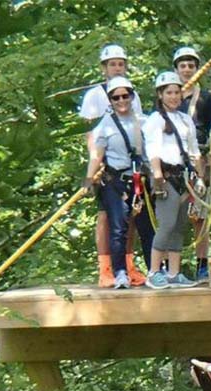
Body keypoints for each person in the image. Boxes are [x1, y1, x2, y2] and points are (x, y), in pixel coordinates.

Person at [80, 44, 150, 286]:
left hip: (131, 167)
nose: (117, 68)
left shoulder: (133, 94)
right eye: (112, 64)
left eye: (121, 63)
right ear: (104, 68)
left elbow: (139, 127)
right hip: (105, 164)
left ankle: (128, 265)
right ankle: (105, 267)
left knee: (130, 216)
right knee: (105, 217)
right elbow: (90, 133)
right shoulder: (95, 96)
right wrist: (95, 168)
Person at [144, 71, 204, 289]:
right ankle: (153, 271)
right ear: (160, 95)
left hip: (183, 176)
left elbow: (193, 150)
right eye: (169, 92)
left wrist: (200, 177)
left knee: (179, 225)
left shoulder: (185, 119)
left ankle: (174, 273)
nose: (173, 97)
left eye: (177, 92)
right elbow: (153, 148)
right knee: (167, 224)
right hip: (165, 176)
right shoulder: (155, 120)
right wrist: (157, 174)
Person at [174, 46, 211, 283]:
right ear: (176, 69)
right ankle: (169, 266)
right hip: (173, 159)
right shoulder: (168, 96)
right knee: (173, 212)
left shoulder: (206, 98)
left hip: (200, 158)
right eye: (182, 66)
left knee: (200, 215)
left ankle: (202, 264)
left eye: (191, 66)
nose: (187, 70)